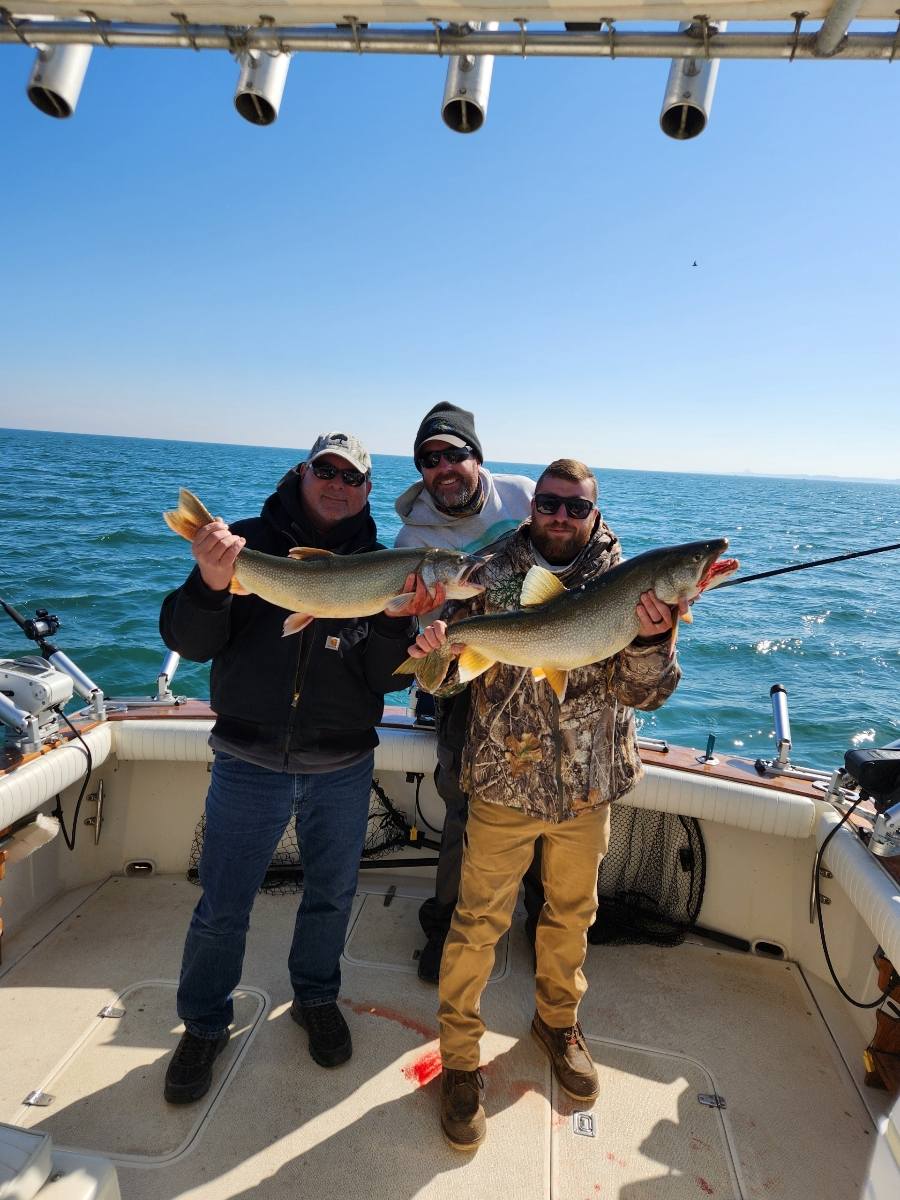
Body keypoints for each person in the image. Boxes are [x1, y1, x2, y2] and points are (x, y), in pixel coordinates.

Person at [406, 459, 685, 1151]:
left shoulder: (634, 582)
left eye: (576, 506)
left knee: (571, 915)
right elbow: (442, 685)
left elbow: (646, 694)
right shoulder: (489, 569)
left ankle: (557, 1024)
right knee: (475, 925)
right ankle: (462, 1062)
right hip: (503, 783)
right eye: (550, 503)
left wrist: (653, 639)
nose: (561, 515)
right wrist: (434, 653)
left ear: (594, 512)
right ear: (532, 506)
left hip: (588, 786)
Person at [159, 432, 418, 1105]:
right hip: (247, 756)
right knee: (223, 906)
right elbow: (187, 641)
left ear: (366, 489)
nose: (337, 484)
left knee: (331, 897)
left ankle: (316, 997)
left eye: (352, 477)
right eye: (324, 470)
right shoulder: (244, 542)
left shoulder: (386, 564)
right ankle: (205, 1023)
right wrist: (212, 582)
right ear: (302, 474)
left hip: (342, 763)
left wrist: (396, 624)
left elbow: (384, 680)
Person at [394, 402, 540, 984]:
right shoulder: (413, 535)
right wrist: (420, 622)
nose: (443, 468)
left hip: (533, 667)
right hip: (462, 682)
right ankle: (447, 924)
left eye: (454, 454)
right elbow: (410, 630)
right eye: (430, 459)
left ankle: (542, 920)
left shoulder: (525, 495)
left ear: (477, 457)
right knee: (463, 804)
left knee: (545, 803)